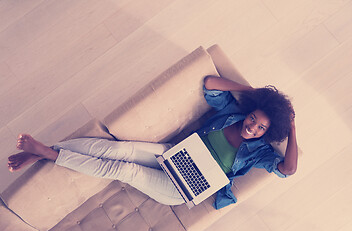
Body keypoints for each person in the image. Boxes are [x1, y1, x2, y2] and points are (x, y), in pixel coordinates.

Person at [7, 75, 298, 209]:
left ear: (266, 134)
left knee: (126, 170)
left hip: (184, 187)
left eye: (261, 128)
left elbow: (288, 169)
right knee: (120, 149)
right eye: (253, 119)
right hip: (175, 154)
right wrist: (252, 91)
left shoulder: (259, 152)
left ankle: (49, 153)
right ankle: (46, 153)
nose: (252, 127)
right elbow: (210, 83)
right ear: (249, 112)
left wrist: (292, 125)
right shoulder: (232, 114)